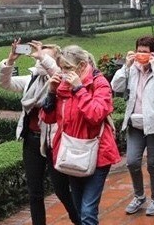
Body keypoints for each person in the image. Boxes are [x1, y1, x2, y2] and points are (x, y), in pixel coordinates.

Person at [0, 39, 81, 225]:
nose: (38, 59)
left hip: (53, 142)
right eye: (37, 56)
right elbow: (5, 83)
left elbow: (56, 73)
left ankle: (81, 220)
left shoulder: (62, 80)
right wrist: (10, 60)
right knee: (34, 192)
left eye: (43, 56)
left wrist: (43, 56)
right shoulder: (31, 80)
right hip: (32, 141)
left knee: (61, 190)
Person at [42, 45, 121, 225]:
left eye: (67, 68)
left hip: (97, 152)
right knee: (78, 209)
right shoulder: (63, 86)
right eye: (62, 68)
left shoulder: (99, 83)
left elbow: (95, 115)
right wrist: (52, 93)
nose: (63, 73)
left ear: (82, 65)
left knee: (87, 211)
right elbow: (48, 118)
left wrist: (79, 89)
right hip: (72, 152)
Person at [111, 36, 154, 216]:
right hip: (135, 124)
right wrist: (126, 66)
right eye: (139, 51)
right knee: (132, 162)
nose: (141, 55)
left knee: (153, 164)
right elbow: (116, 86)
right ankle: (139, 196)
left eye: (145, 52)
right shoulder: (132, 70)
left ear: (153, 53)